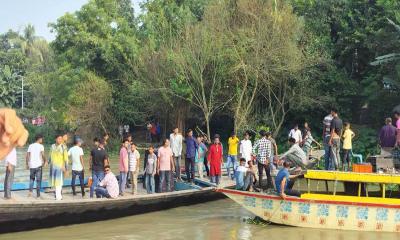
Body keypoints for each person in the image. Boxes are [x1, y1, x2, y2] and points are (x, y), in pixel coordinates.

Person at [26, 134, 47, 198]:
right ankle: (38, 195)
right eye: (41, 139)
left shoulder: (30, 146)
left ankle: (30, 192)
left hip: (32, 165)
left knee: (31, 179)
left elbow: (27, 155)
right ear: (39, 139)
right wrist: (45, 161)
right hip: (38, 165)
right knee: (38, 181)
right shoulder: (41, 146)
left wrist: (27, 164)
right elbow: (43, 155)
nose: (42, 140)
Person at [49, 134, 68, 200]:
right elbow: (50, 156)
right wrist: (47, 162)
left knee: (59, 182)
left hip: (60, 167)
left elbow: (66, 158)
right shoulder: (52, 146)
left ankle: (58, 197)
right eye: (58, 138)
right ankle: (59, 196)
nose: (60, 140)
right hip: (53, 167)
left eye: (61, 139)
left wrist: (66, 169)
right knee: (56, 182)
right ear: (55, 139)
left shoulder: (63, 147)